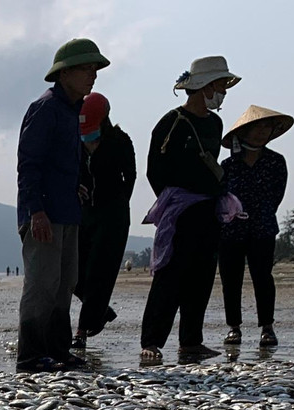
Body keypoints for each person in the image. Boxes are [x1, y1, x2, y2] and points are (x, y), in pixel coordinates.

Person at [15, 38, 110, 372]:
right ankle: (30, 356)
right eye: (86, 69)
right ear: (65, 73)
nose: (93, 76)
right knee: (42, 285)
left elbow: (63, 164)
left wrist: (78, 186)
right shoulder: (45, 108)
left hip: (67, 211)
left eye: (95, 69)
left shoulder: (72, 112)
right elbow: (29, 165)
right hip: (44, 214)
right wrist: (35, 211)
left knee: (64, 282)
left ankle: (58, 351)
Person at [139, 56, 242, 364]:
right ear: (203, 87)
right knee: (170, 275)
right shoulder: (172, 122)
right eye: (219, 86)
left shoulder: (215, 123)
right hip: (180, 211)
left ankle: (191, 342)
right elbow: (154, 170)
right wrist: (172, 200)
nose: (222, 92)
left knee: (202, 276)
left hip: (209, 209)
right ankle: (152, 342)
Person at [219, 105, 292, 349]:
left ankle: (267, 328)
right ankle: (234, 328)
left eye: (266, 127)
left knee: (263, 278)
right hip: (230, 232)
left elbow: (276, 195)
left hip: (263, 228)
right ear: (244, 132)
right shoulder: (228, 165)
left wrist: (259, 213)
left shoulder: (276, 162)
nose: (262, 132)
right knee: (231, 279)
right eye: (257, 127)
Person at [72, 92, 135, 352]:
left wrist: (119, 204)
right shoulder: (73, 141)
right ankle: (99, 310)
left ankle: (82, 331)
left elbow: (130, 176)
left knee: (100, 273)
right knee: (73, 272)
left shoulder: (120, 141)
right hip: (84, 213)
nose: (89, 141)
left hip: (113, 214)